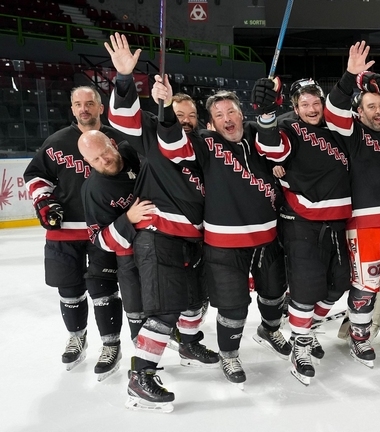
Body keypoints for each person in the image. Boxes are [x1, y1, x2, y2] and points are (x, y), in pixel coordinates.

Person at [104, 33, 221, 410]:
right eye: (178, 114)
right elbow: (125, 121)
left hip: (193, 239)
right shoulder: (153, 136)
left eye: (191, 116)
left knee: (194, 304)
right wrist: (125, 80)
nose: (186, 121)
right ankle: (141, 376)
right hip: (158, 235)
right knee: (167, 309)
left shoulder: (203, 147)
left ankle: (187, 344)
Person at [156, 77, 287, 390]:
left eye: (231, 111)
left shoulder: (257, 135)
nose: (227, 119)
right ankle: (229, 355)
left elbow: (278, 151)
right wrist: (164, 109)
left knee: (274, 296)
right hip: (224, 245)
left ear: (241, 113)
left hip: (267, 240)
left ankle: (270, 330)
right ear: (211, 123)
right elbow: (173, 148)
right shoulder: (204, 143)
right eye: (219, 115)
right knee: (233, 306)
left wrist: (267, 110)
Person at [24, 85, 125, 378]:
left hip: (104, 231)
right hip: (64, 231)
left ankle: (111, 344)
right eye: (79, 104)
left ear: (100, 107)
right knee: (68, 290)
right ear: (72, 109)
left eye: (90, 103)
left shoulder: (117, 140)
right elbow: (35, 175)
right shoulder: (56, 142)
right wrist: (45, 202)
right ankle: (77, 336)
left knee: (104, 290)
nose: (84, 109)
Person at [256, 75, 352, 385]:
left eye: (316, 103)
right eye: (305, 104)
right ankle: (300, 346)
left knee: (338, 284)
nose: (312, 109)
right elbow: (272, 148)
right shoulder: (289, 130)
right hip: (301, 222)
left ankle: (306, 330)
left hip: (337, 221)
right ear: (296, 108)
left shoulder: (338, 129)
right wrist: (267, 113)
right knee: (306, 290)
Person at [324, 41, 380, 368]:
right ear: (359, 111)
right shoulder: (353, 132)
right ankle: (360, 337)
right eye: (370, 106)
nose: (377, 111)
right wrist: (350, 77)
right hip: (364, 226)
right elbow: (333, 111)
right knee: (366, 285)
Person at [78, 130, 144, 381]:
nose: (103, 160)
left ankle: (166, 341)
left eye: (105, 152)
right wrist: (128, 220)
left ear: (113, 144)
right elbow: (99, 238)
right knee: (109, 290)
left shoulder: (132, 153)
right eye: (95, 159)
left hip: (148, 241)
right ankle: (116, 347)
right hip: (117, 245)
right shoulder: (93, 190)